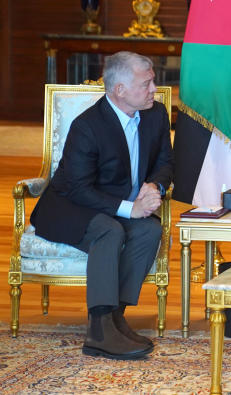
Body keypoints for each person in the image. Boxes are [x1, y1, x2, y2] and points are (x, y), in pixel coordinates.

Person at [31, 51, 174, 360]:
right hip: (70, 206)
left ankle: (114, 319)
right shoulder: (88, 126)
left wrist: (154, 186)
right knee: (110, 231)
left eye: (153, 82)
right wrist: (130, 209)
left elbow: (166, 163)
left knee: (150, 230)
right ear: (119, 90)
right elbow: (79, 189)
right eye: (146, 83)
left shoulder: (156, 114)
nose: (154, 89)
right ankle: (98, 332)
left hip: (113, 204)